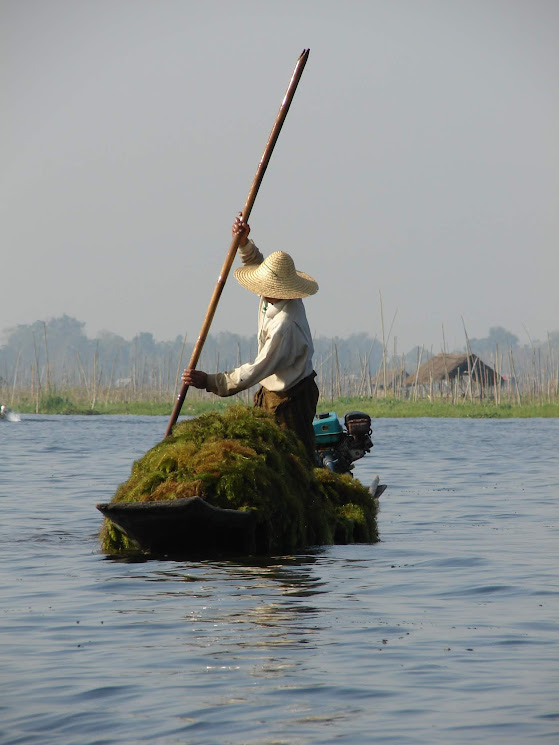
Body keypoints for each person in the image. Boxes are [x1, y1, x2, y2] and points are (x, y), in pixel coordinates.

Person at [182, 214, 319, 458]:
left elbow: (256, 370)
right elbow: (258, 263)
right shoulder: (275, 294)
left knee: (294, 457)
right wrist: (244, 243)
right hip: (272, 392)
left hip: (291, 397)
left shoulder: (285, 326)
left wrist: (212, 382)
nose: (263, 291)